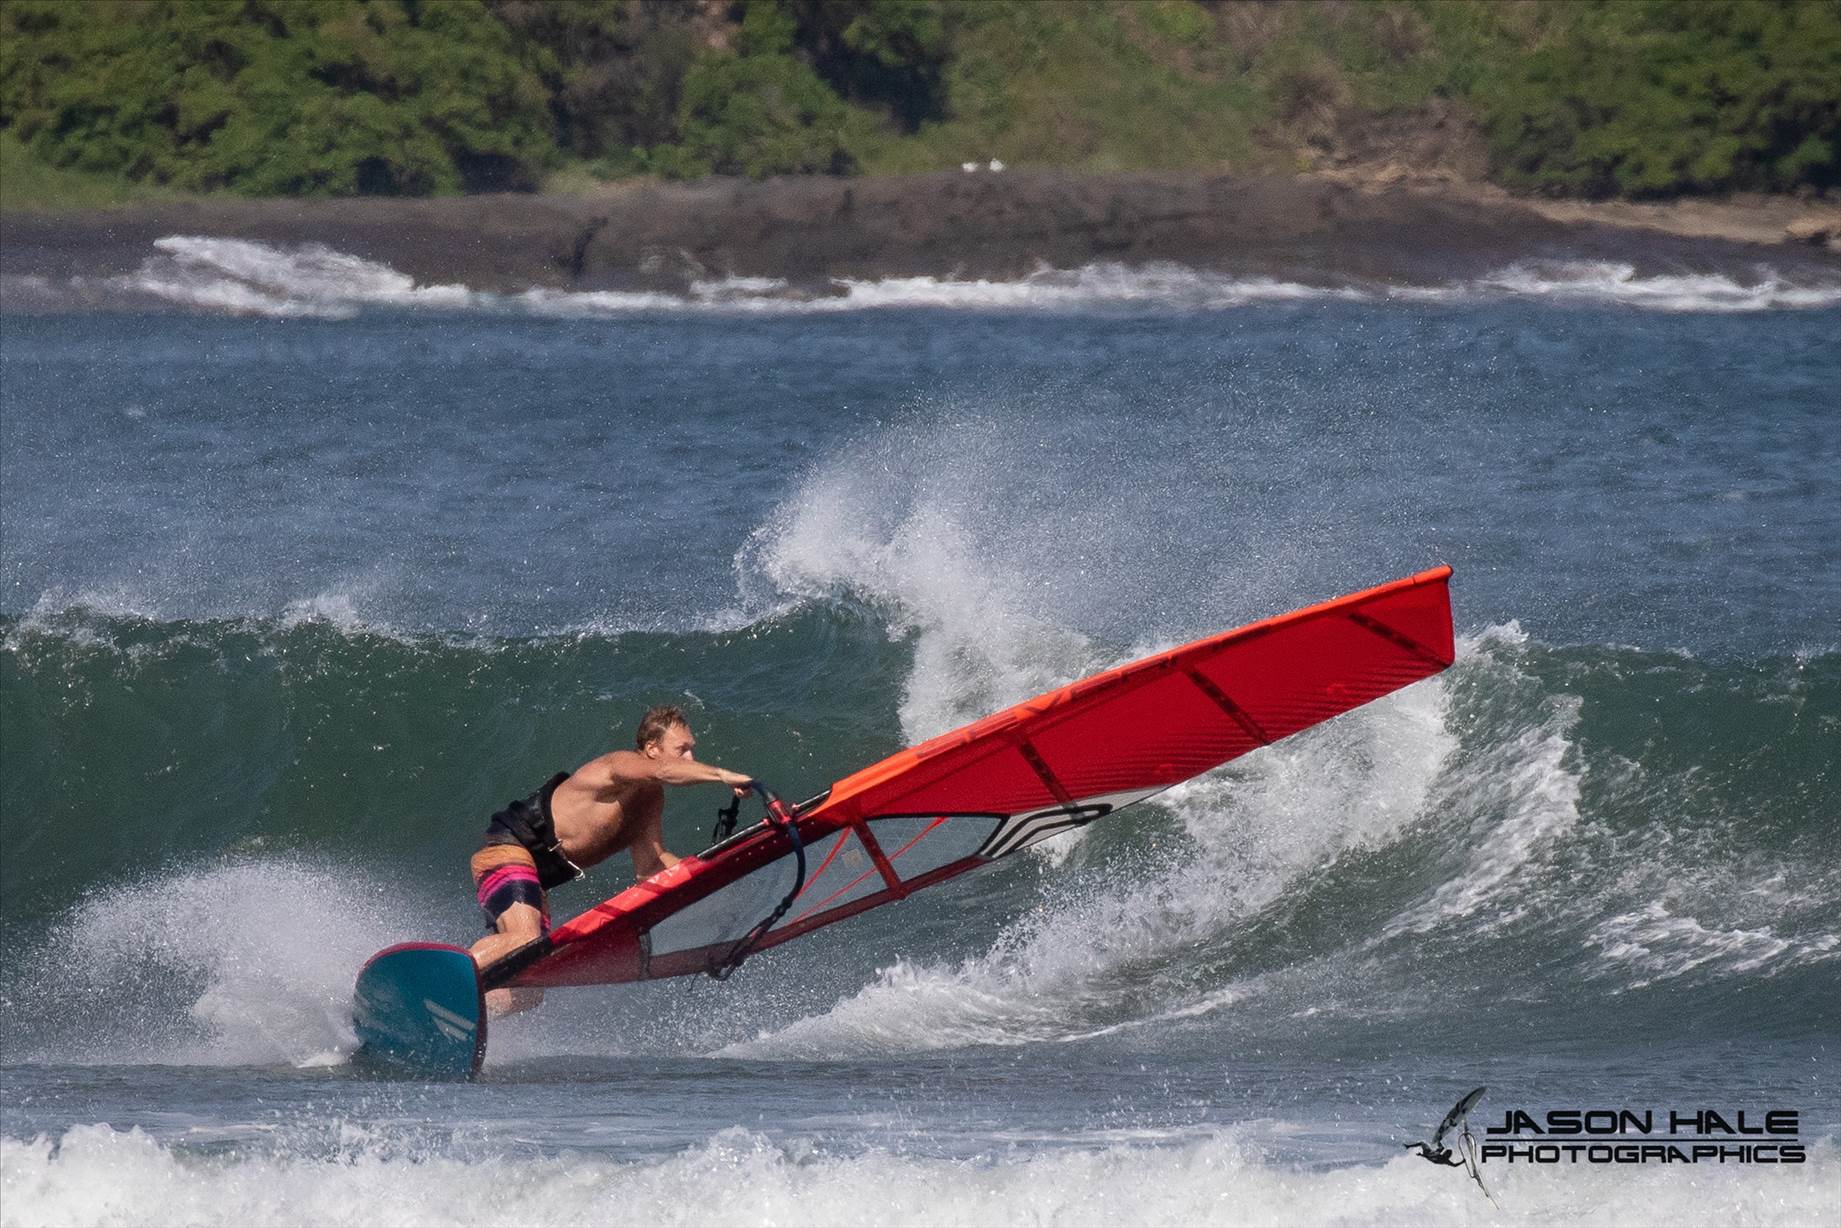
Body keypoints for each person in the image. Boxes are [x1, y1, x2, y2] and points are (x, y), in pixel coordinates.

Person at [467, 705, 753, 1014]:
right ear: (652, 749)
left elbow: (651, 866)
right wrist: (722, 774)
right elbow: (662, 771)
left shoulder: (649, 800)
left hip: (537, 877)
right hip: (510, 846)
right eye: (681, 750)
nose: (690, 758)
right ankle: (442, 980)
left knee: (530, 990)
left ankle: (465, 1012)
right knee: (524, 938)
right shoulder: (617, 765)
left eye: (691, 750)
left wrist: (709, 876)